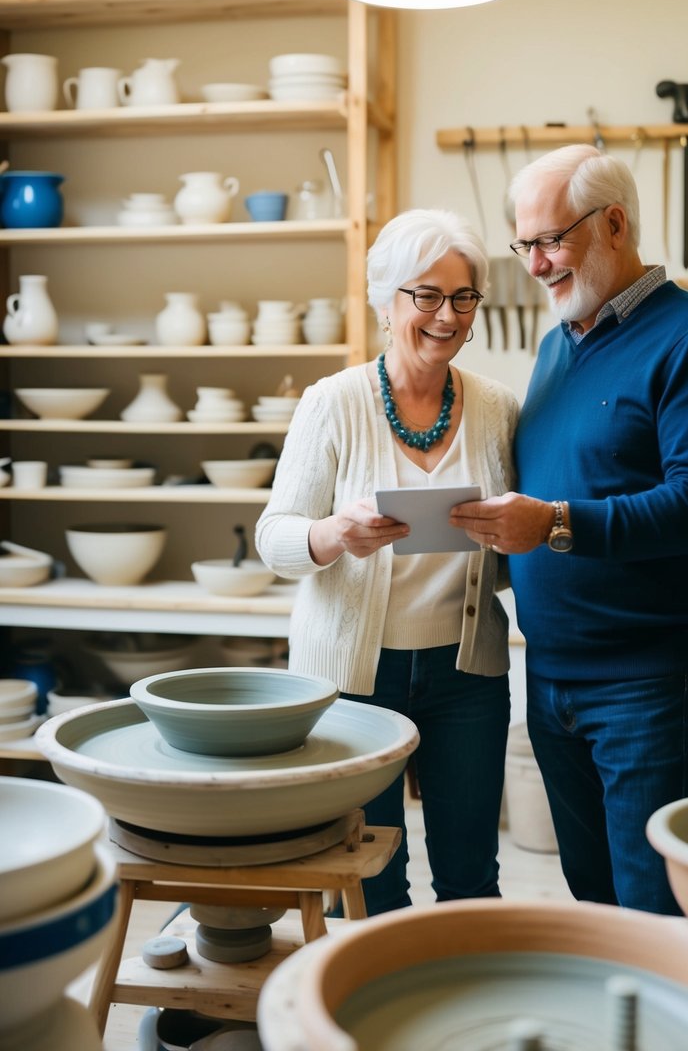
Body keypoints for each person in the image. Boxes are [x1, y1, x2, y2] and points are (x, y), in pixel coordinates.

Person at [449, 145, 688, 915]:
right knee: (591, 894)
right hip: (550, 671)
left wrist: (551, 523)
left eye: (550, 241)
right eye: (523, 246)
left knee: (651, 904)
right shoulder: (556, 343)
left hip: (647, 678)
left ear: (614, 223)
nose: (536, 264)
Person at [255, 207, 519, 915]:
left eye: (462, 297)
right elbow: (273, 536)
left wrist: (507, 534)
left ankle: (462, 1015)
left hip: (466, 673)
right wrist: (332, 536)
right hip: (350, 679)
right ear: (385, 301)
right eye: (425, 295)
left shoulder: (496, 408)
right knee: (368, 876)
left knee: (470, 873)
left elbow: (513, 554)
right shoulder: (332, 403)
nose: (446, 315)